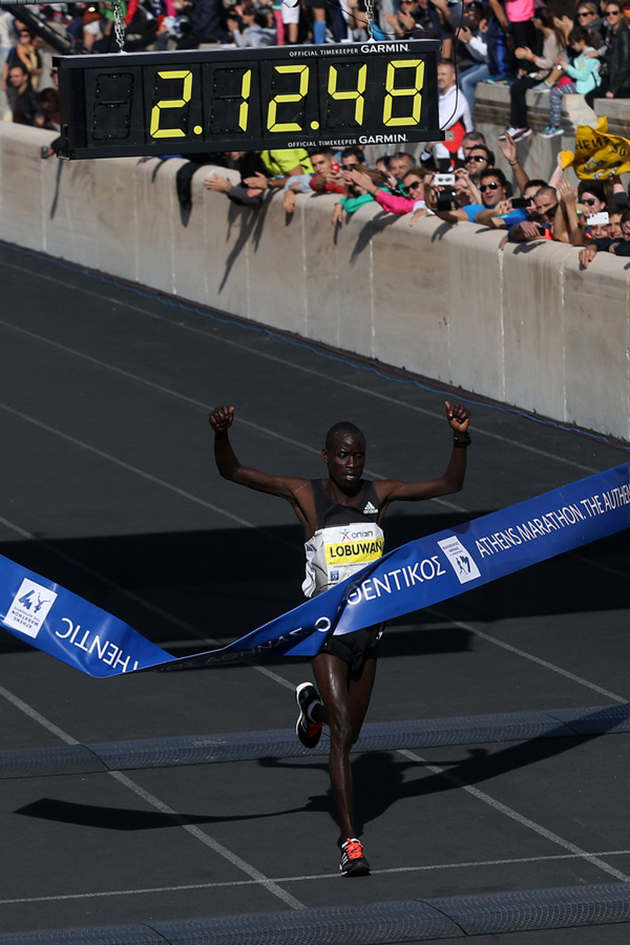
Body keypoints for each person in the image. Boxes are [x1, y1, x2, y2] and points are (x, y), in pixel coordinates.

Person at [208, 401, 471, 876]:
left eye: (359, 456)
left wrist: (459, 438)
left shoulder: (381, 495)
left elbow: (450, 485)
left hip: (369, 633)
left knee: (346, 730)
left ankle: (313, 711)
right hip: (326, 633)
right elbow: (234, 472)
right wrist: (221, 435)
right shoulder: (304, 495)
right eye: (344, 456)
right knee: (344, 736)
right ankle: (350, 841)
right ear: (325, 457)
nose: (353, 465)